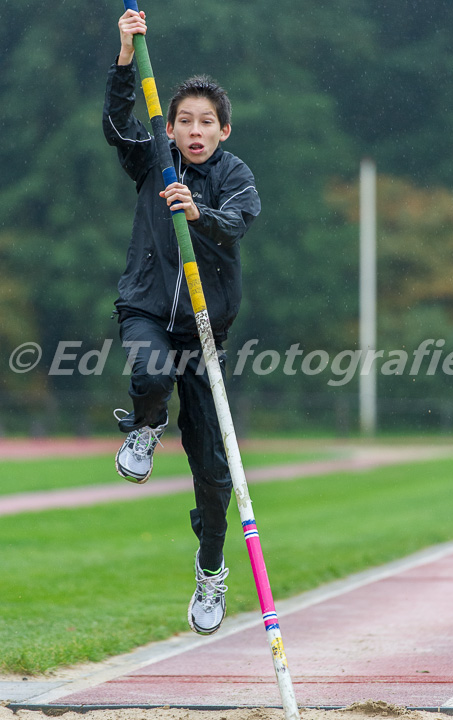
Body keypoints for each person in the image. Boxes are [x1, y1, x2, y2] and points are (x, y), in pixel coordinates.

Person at [103, 9, 261, 636]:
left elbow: (235, 223)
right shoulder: (153, 159)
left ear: (224, 129)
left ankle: (211, 570)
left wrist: (196, 212)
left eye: (206, 123)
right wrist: (123, 54)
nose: (194, 132)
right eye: (184, 122)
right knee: (148, 367)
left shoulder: (235, 177)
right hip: (146, 307)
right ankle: (145, 427)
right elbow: (116, 124)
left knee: (215, 476)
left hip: (204, 335)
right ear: (169, 127)